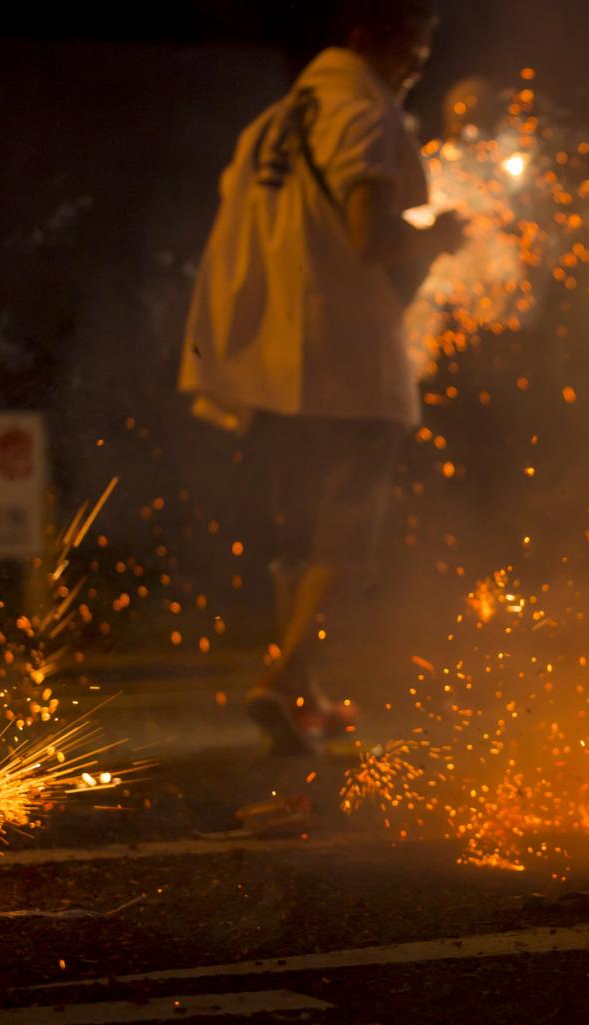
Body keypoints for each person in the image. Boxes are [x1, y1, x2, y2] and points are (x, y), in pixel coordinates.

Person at [180, 0, 465, 755]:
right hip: (340, 353)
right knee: (347, 539)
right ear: (366, 39)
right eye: (411, 46)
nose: (417, 64)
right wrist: (437, 236)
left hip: (269, 355)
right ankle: (280, 680)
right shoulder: (363, 114)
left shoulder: (275, 121)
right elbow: (370, 237)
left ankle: (305, 692)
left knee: (297, 540)